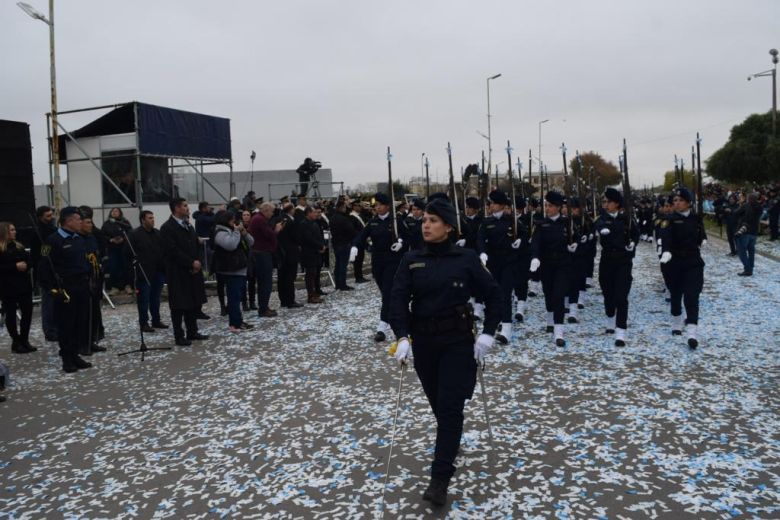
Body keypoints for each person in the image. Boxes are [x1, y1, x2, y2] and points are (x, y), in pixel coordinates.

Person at [389, 198, 500, 507]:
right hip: (424, 342)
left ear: (449, 227)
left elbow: (494, 294)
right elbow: (397, 300)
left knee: (450, 407)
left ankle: (439, 478)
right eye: (424, 219)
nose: (426, 224)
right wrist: (401, 337)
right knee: (440, 404)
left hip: (457, 341)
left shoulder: (466, 258)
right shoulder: (411, 259)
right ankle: (450, 442)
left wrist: (489, 334)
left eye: (434, 220)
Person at [350, 192, 410, 342]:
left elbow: (409, 237)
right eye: (375, 205)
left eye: (380, 205)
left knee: (388, 294)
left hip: (393, 261)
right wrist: (355, 246)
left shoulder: (396, 220)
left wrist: (401, 243)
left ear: (387, 206)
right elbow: (362, 236)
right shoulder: (373, 222)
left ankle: (382, 327)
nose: (377, 208)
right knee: (387, 294)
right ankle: (403, 315)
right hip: (378, 263)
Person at [38, 207, 92, 372]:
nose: (81, 222)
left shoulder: (79, 239)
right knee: (66, 324)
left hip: (81, 285)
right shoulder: (51, 241)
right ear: (68, 221)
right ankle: (67, 358)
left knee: (79, 322)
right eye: (78, 219)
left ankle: (75, 354)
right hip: (65, 287)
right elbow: (43, 266)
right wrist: (52, 289)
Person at [659, 187, 707, 348]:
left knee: (692, 296)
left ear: (688, 202)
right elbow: (666, 236)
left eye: (680, 200)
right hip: (674, 261)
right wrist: (665, 251)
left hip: (693, 261)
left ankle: (692, 333)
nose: (677, 203)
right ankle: (676, 322)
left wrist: (704, 239)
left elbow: (701, 232)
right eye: (675, 201)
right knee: (676, 294)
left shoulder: (696, 218)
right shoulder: (669, 219)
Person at [593, 188, 640, 346]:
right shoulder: (602, 218)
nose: (606, 205)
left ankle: (621, 332)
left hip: (623, 261)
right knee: (608, 293)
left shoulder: (627, 219)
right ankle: (610, 317)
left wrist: (633, 243)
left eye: (609, 202)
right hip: (607, 260)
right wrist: (601, 230)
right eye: (604, 202)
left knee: (621, 297)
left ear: (617, 203)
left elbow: (635, 234)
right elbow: (597, 225)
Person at [159, 198, 209, 346]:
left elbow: (196, 245)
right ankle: (179, 335)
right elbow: (172, 250)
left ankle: (192, 331)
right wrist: (190, 262)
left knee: (193, 302)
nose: (188, 209)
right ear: (176, 208)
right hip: (178, 272)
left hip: (193, 271)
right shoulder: (167, 228)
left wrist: (198, 262)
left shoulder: (188, 224)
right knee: (179, 305)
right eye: (185, 206)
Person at [530, 191, 573, 347]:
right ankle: (550, 318)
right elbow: (535, 243)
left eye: (550, 206)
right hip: (547, 265)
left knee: (559, 295)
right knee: (548, 293)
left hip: (562, 264)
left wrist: (574, 245)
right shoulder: (540, 224)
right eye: (546, 205)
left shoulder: (567, 223)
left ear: (558, 207)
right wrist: (535, 257)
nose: (547, 208)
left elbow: (574, 237)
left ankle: (559, 332)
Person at [477, 190, 518, 344]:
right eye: (490, 203)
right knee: (492, 294)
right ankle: (492, 324)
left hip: (508, 262)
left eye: (493, 203)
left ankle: (506, 329)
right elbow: (480, 239)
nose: (491, 206)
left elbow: (524, 236)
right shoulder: (486, 222)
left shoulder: (511, 221)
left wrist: (518, 242)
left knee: (505, 294)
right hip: (492, 263)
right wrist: (482, 253)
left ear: (501, 205)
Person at [213, 211, 255, 332]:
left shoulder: (234, 230)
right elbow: (230, 245)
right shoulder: (220, 232)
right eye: (232, 220)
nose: (235, 222)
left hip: (240, 268)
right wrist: (237, 232)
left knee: (238, 297)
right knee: (234, 298)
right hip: (231, 270)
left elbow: (251, 242)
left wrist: (243, 232)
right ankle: (234, 324)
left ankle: (238, 321)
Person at [126, 210, 167, 333]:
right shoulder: (134, 234)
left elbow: (163, 250)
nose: (152, 220)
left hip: (158, 270)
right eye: (149, 218)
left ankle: (156, 320)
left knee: (156, 297)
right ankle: (143, 323)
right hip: (143, 272)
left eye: (153, 217)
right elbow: (128, 253)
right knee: (144, 299)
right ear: (143, 220)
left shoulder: (157, 233)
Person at [0, 222, 37, 354]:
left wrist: (27, 265)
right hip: (8, 286)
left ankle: (24, 339)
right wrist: (14, 267)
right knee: (11, 314)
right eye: (11, 230)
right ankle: (16, 341)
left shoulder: (19, 246)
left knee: (27, 312)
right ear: (4, 232)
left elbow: (30, 260)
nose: (15, 232)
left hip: (23, 285)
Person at [79, 211, 108, 355]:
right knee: (84, 314)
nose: (91, 225)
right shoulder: (77, 239)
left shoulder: (91, 238)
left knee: (95, 312)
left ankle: (92, 340)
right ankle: (83, 344)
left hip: (96, 280)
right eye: (88, 222)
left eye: (91, 222)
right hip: (84, 281)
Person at [249, 202, 284, 317]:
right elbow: (269, 234)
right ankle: (263, 308)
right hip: (262, 254)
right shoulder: (259, 220)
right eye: (271, 211)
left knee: (264, 282)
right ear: (266, 210)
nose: (272, 214)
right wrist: (277, 230)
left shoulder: (258, 218)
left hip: (262, 253)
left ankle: (264, 306)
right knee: (265, 282)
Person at [30, 205, 58, 342]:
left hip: (56, 271)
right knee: (49, 303)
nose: (51, 217)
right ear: (41, 217)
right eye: (48, 216)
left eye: (51, 215)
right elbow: (41, 255)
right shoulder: (39, 232)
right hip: (45, 272)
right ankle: (50, 331)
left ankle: (56, 328)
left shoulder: (53, 230)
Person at [275, 202, 302, 308]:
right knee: (290, 277)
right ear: (291, 210)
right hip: (290, 252)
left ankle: (283, 300)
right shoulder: (290, 221)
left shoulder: (279, 219)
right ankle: (290, 300)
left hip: (282, 252)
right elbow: (295, 236)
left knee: (282, 277)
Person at [101, 207, 133, 295]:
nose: (114, 212)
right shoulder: (106, 224)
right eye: (113, 211)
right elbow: (102, 235)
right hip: (112, 249)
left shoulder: (124, 222)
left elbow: (130, 232)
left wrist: (123, 239)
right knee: (113, 267)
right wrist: (110, 240)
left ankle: (127, 286)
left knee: (126, 267)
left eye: (116, 211)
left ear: (120, 213)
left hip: (124, 248)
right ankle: (114, 287)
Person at [299, 206, 327, 303]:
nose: (316, 214)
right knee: (310, 275)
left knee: (315, 274)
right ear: (308, 213)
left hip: (316, 252)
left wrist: (322, 246)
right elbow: (308, 238)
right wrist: (320, 246)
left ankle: (315, 293)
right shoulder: (304, 224)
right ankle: (311, 295)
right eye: (314, 212)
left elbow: (319, 236)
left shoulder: (314, 223)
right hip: (309, 253)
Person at [329, 199, 358, 291]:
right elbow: (351, 230)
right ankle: (342, 284)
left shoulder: (332, 218)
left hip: (336, 243)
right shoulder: (343, 219)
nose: (346, 209)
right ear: (341, 208)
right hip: (344, 243)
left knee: (338, 264)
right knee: (342, 265)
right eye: (345, 207)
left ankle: (338, 283)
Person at [733, 192, 762, 277]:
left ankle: (748, 269)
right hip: (754, 232)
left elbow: (736, 213)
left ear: (749, 199)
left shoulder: (746, 206)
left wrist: (740, 205)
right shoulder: (759, 207)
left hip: (744, 231)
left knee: (741, 251)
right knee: (751, 251)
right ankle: (751, 268)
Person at [240, 210, 258, 311]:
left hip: (252, 256)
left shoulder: (253, 227)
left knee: (252, 281)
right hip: (242, 257)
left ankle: (252, 301)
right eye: (244, 215)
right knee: (243, 282)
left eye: (248, 215)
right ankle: (244, 302)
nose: (246, 217)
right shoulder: (239, 228)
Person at [348, 201, 368, 283]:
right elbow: (353, 230)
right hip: (357, 241)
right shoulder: (352, 217)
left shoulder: (358, 216)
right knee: (357, 260)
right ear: (354, 207)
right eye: (358, 206)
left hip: (361, 240)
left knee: (360, 259)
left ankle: (360, 276)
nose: (360, 207)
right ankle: (358, 277)